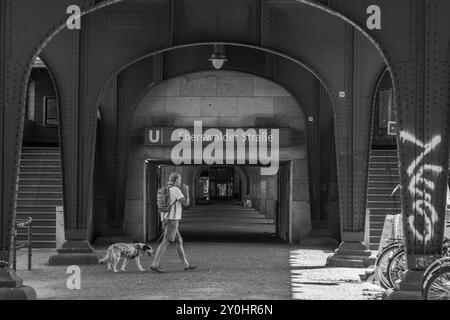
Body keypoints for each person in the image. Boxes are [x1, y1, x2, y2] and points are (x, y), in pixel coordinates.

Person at [150, 172, 196, 273]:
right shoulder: (175, 190)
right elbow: (186, 203)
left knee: (178, 241)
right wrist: (187, 192)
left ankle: (186, 265)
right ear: (175, 180)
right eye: (179, 179)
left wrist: (163, 220)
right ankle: (155, 264)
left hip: (167, 218)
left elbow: (163, 206)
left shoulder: (166, 189)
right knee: (165, 242)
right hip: (173, 220)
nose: (180, 181)